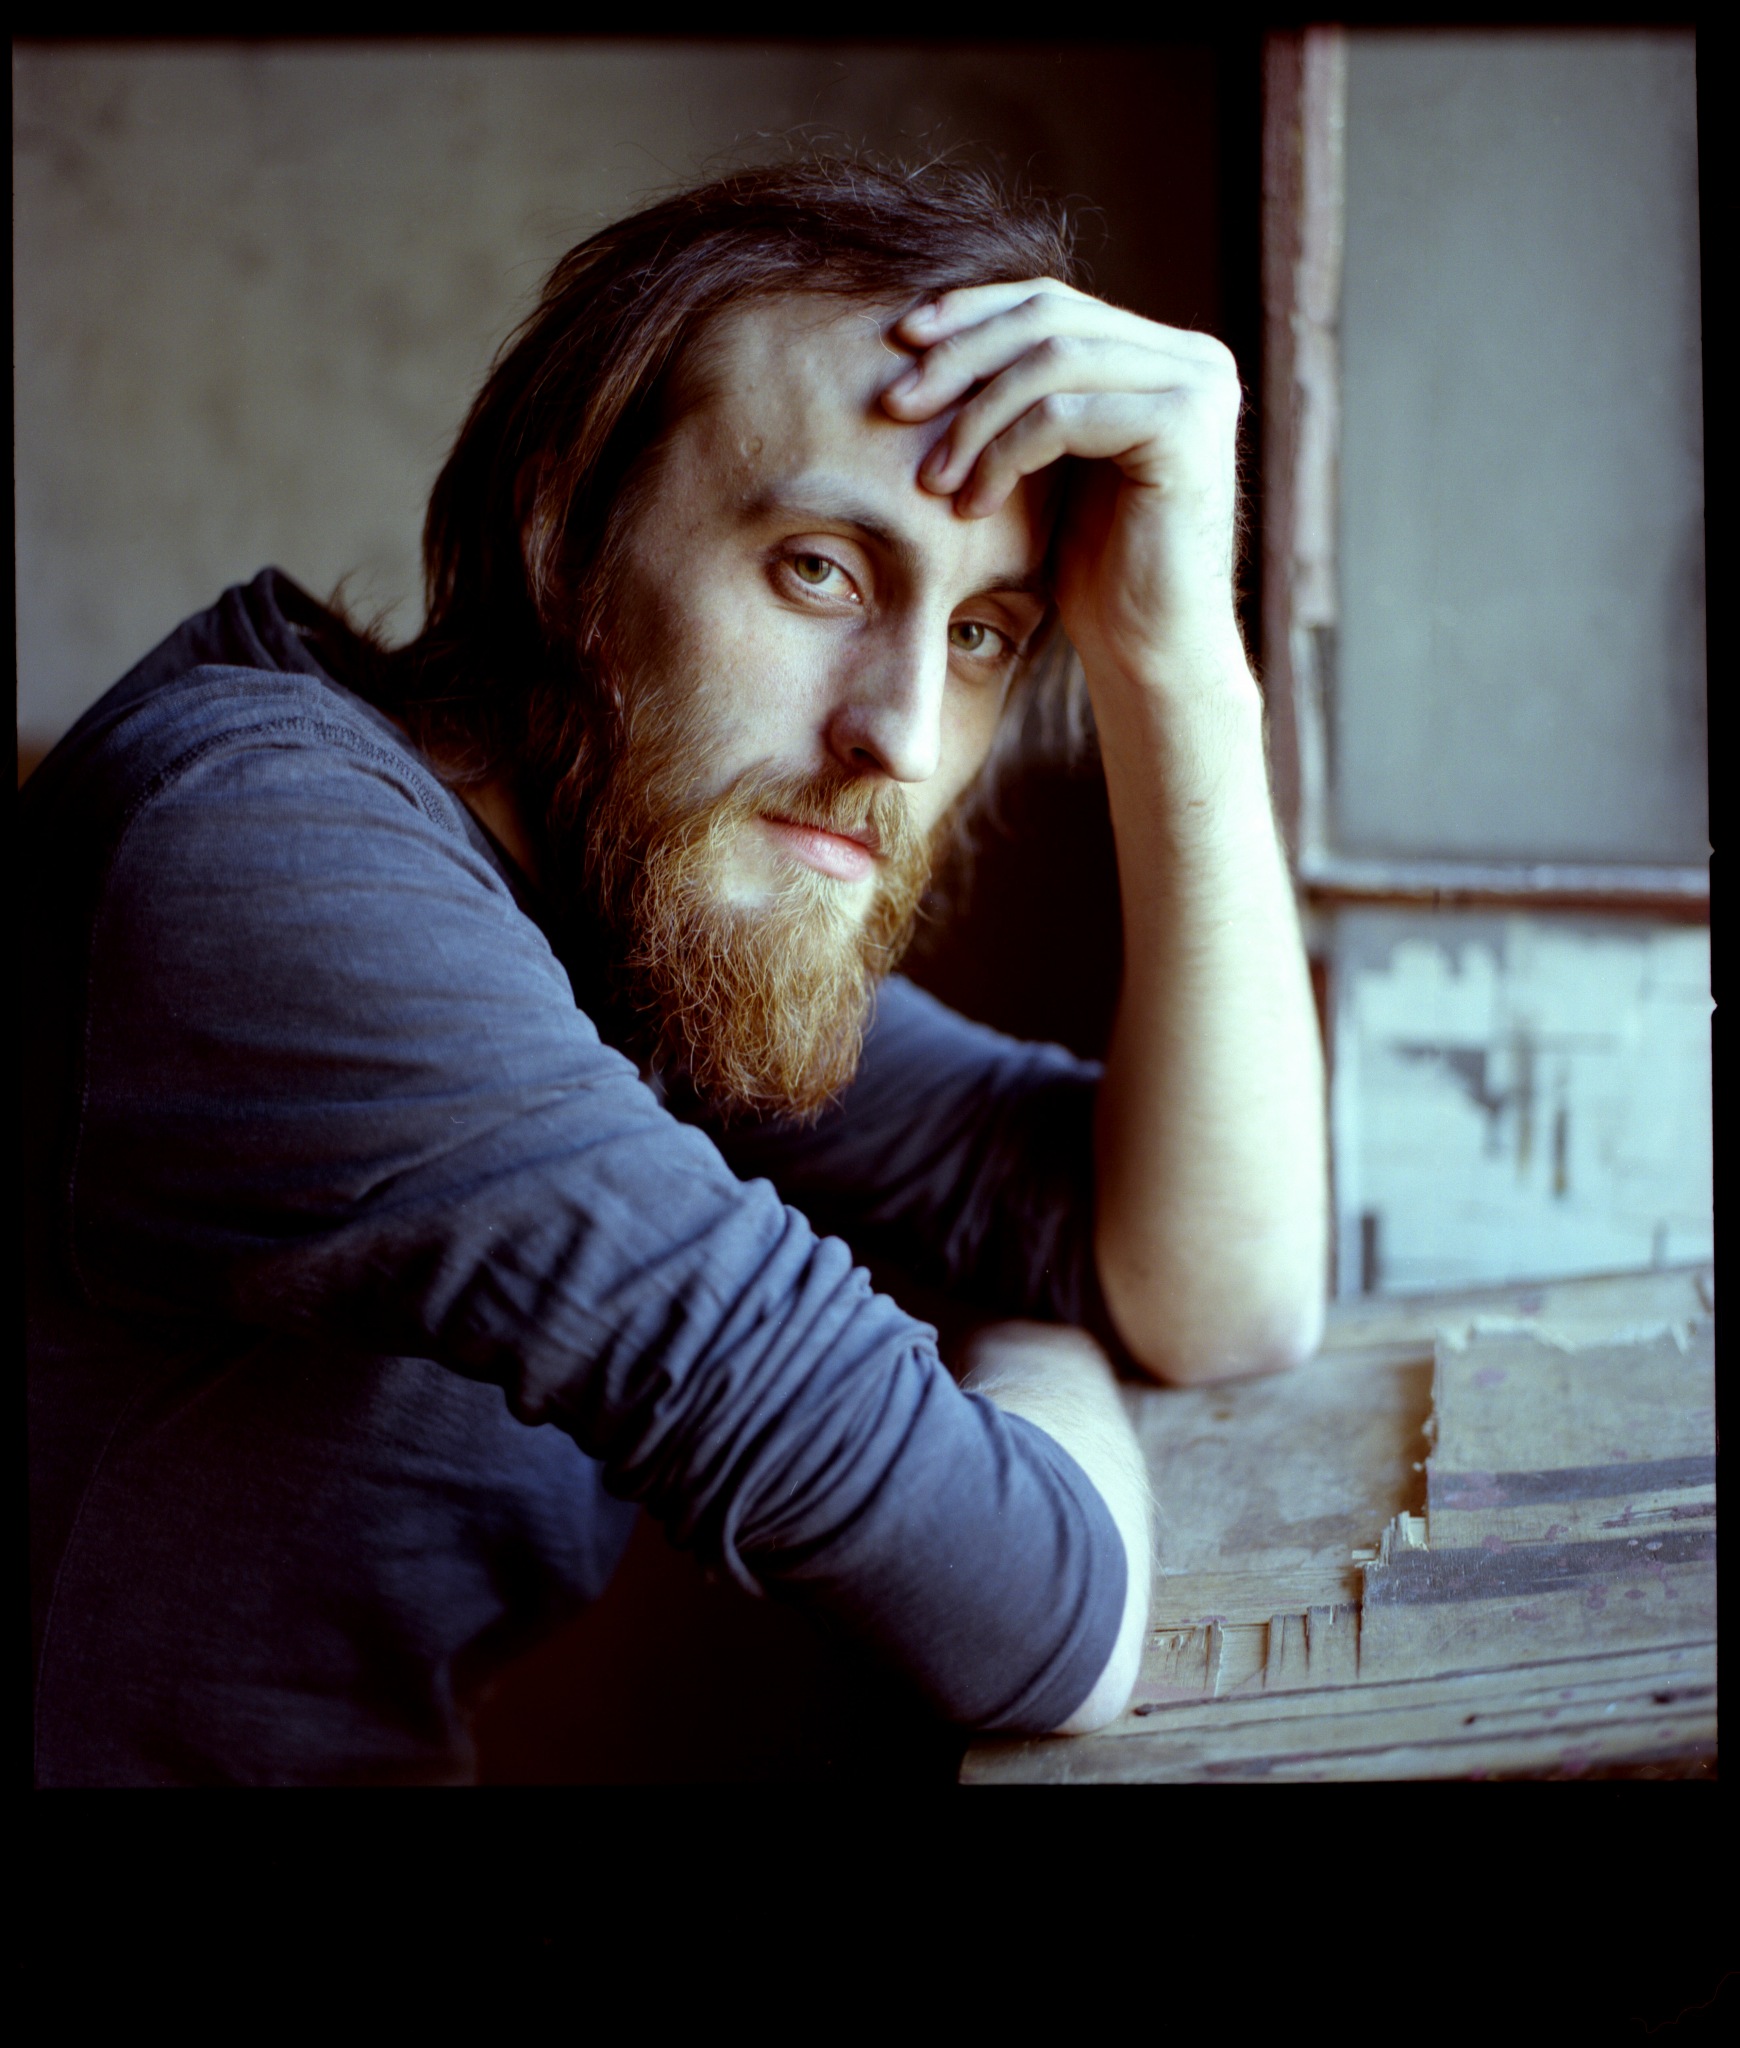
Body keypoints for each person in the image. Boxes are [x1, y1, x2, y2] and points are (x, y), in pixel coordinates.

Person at [24, 156, 1327, 1785]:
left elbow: (1226, 1285)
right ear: (563, 534)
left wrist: (1177, 661)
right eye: (819, 570)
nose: (904, 733)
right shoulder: (275, 865)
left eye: (982, 634)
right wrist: (1044, 1361)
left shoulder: (636, 907)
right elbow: (1037, 1617)